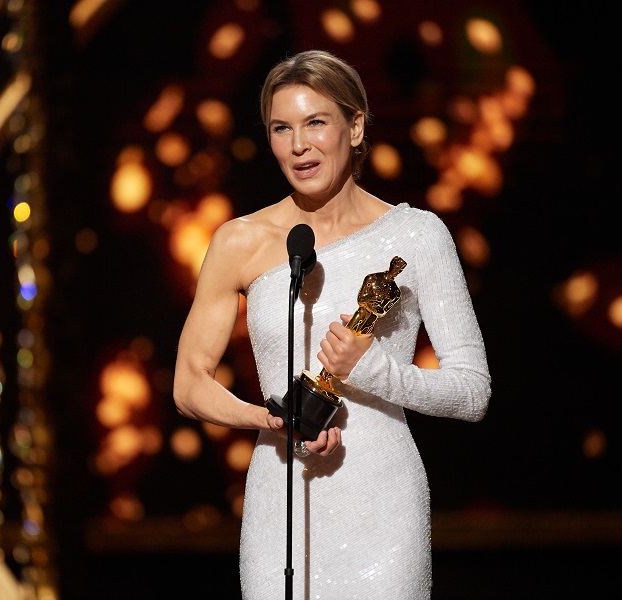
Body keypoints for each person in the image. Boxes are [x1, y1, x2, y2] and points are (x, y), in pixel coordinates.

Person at [173, 49, 491, 599]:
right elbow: (188, 384)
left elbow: (472, 391)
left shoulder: (418, 236)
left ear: (356, 126)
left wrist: (374, 370)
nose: (298, 145)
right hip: (282, 497)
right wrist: (268, 419)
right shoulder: (239, 241)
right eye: (281, 128)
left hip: (383, 506)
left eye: (316, 122)